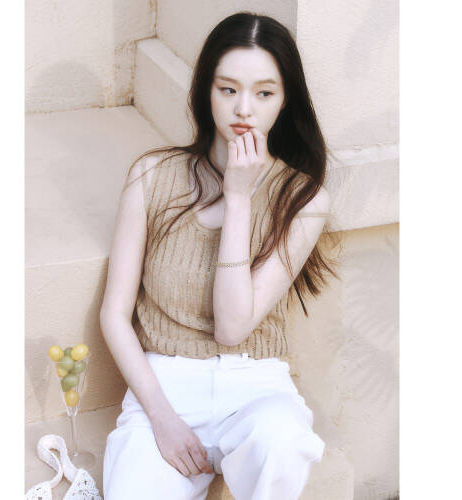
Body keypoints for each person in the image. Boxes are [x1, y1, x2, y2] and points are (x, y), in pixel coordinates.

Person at [100, 11, 339, 500]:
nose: (243, 109)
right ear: (205, 91)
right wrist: (162, 418)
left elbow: (232, 328)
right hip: (165, 382)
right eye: (228, 89)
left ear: (285, 100)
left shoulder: (303, 199)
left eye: (264, 93)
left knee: (283, 443)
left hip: (255, 383)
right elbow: (114, 314)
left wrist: (238, 198)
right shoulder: (153, 175)